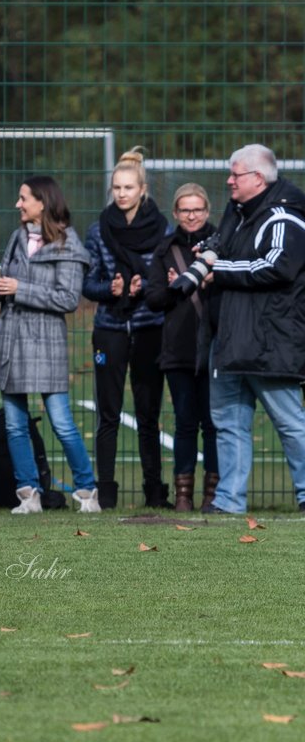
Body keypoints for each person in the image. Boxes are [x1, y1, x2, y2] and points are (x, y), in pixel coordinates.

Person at [171, 144, 305, 515]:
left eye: (235, 174)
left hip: (269, 342)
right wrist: (205, 257)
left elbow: (277, 266)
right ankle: (229, 501)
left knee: (291, 423)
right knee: (228, 423)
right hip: (229, 337)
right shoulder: (238, 212)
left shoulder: (283, 217)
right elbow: (224, 249)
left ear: (258, 179)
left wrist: (219, 270)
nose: (228, 181)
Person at [0, 176, 97, 514]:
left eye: (23, 198)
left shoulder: (68, 245)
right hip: (11, 342)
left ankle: (87, 491)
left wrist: (19, 288)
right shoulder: (16, 237)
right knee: (14, 423)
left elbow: (66, 299)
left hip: (46, 345)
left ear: (42, 203)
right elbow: (8, 280)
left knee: (61, 422)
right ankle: (28, 494)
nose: (17, 204)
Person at [81, 148, 170, 509]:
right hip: (111, 328)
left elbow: (164, 281)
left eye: (128, 187)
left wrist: (142, 289)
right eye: (116, 187)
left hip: (150, 328)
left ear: (142, 189)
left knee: (148, 415)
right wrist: (111, 290)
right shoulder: (98, 230)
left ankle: (154, 492)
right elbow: (88, 284)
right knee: (109, 413)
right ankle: (106, 493)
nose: (121, 193)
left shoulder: (163, 228)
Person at [142, 184, 220, 512]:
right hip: (178, 349)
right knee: (185, 422)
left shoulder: (223, 242)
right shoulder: (165, 249)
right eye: (185, 210)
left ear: (207, 211)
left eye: (198, 209)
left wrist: (213, 280)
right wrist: (179, 285)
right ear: (175, 213)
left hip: (217, 347)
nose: (191, 215)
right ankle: (184, 494)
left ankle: (215, 495)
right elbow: (154, 298)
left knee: (215, 423)